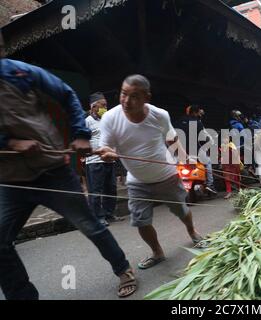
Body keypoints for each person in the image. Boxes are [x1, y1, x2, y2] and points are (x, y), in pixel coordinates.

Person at [0, 31, 136, 299]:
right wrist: (10, 142)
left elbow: (65, 93)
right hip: (10, 180)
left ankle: (123, 269)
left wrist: (81, 135)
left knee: (91, 226)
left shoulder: (19, 74)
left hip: (51, 171)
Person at [97, 75, 202, 270]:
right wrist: (108, 154)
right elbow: (106, 147)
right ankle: (157, 252)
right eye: (123, 94)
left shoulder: (160, 115)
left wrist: (185, 158)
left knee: (181, 209)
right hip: (137, 180)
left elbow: (171, 139)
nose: (127, 101)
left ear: (147, 97)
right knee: (140, 220)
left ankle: (193, 232)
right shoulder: (110, 118)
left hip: (167, 175)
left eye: (135, 96)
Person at [85, 92, 123, 226]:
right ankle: (97, 217)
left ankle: (109, 214)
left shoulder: (107, 120)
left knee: (111, 189)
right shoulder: (87, 122)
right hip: (95, 162)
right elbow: (82, 141)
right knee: (96, 192)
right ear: (94, 106)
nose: (105, 108)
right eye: (103, 105)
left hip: (109, 161)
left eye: (106, 106)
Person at [175, 105, 217, 194]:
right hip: (195, 152)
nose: (199, 114)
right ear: (195, 112)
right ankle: (210, 185)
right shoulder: (197, 122)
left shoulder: (179, 121)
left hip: (180, 152)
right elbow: (203, 139)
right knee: (208, 162)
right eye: (198, 112)